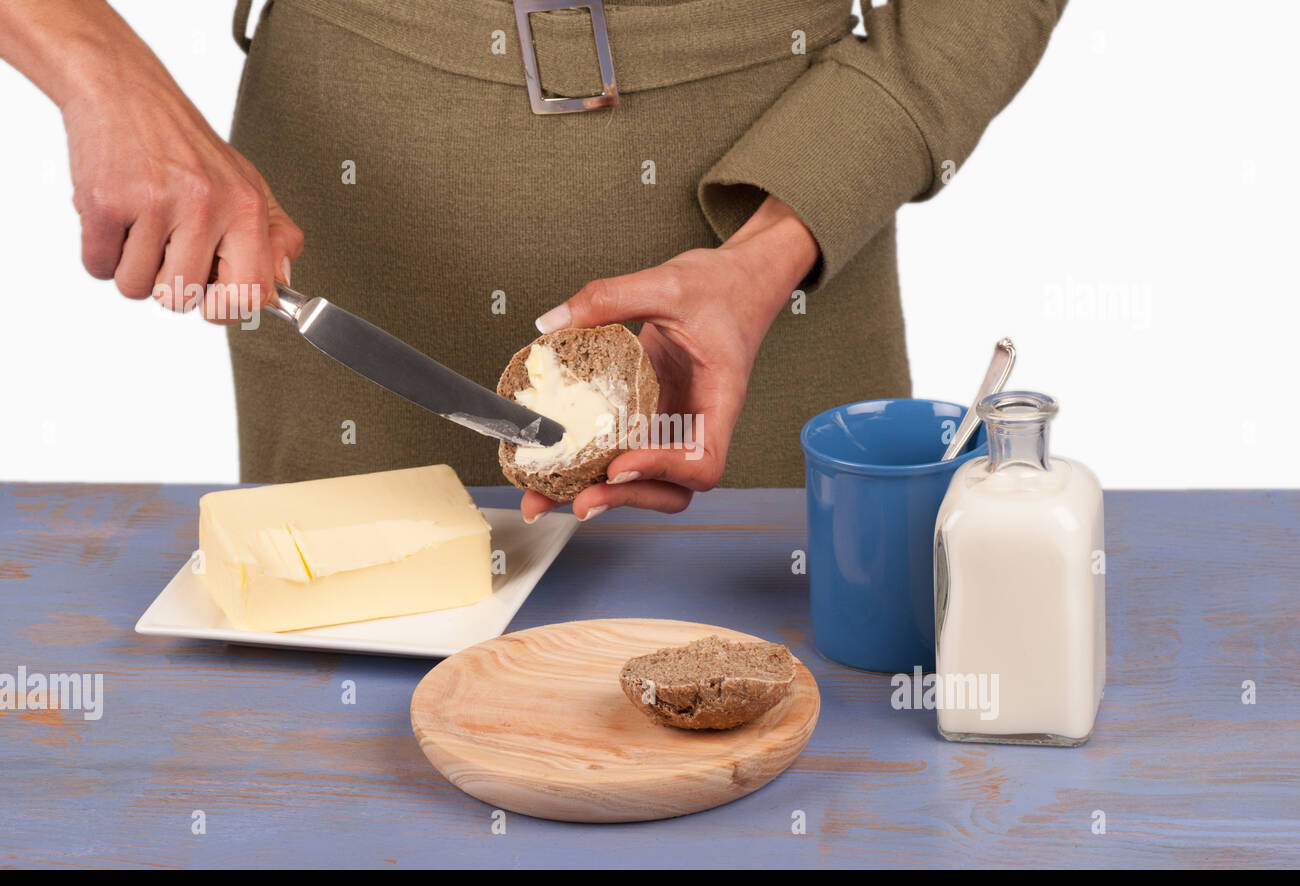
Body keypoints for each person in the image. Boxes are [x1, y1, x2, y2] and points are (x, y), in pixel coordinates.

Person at [0, 0, 1066, 521]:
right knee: (336, 774)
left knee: (797, 747)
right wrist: (99, 68)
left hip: (774, 238)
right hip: (348, 207)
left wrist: (775, 244)